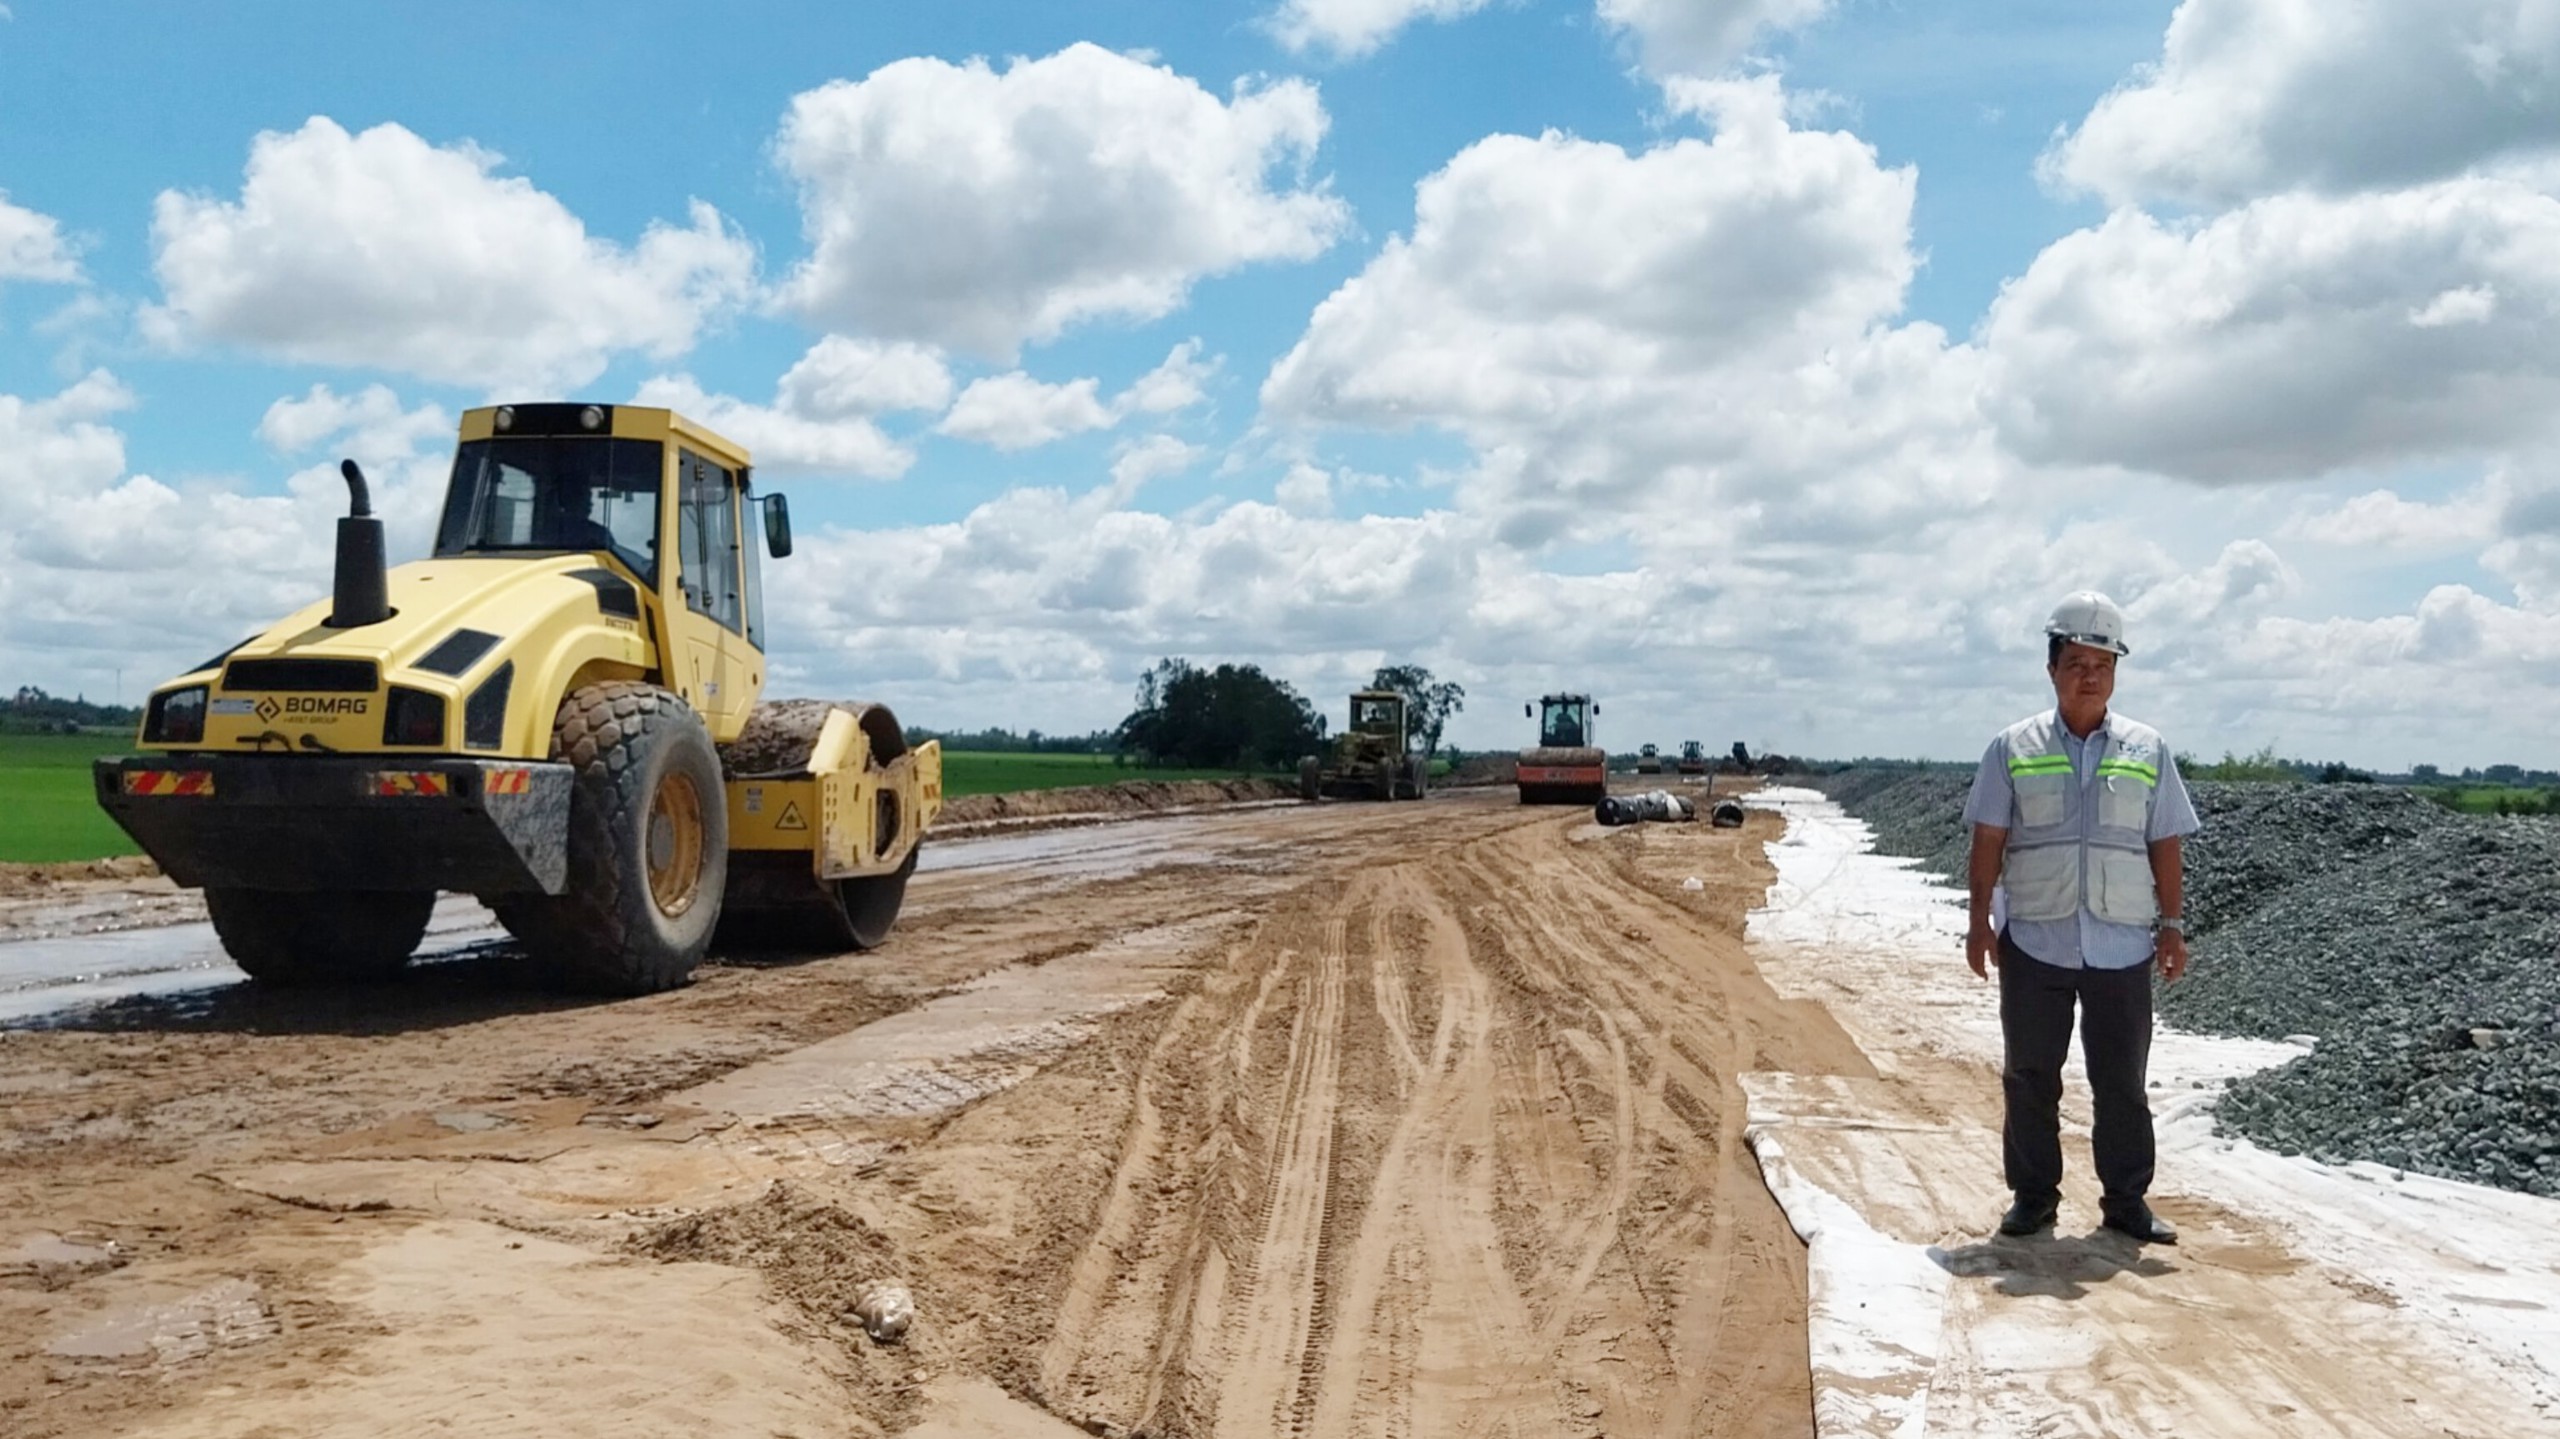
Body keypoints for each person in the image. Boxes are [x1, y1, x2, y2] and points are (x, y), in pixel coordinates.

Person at [1962, 590, 2199, 1245]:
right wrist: (1980, 919)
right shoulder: (2011, 746)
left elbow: (2165, 841)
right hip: (2036, 937)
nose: (2088, 674)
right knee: (2031, 1074)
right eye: (2075, 661)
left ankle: (2126, 1201)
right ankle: (2033, 1197)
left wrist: (2173, 926)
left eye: (2102, 663)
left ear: (2117, 671)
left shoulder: (2148, 749)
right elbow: (1986, 839)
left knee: (2121, 1080)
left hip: (2122, 943)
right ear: (2052, 668)